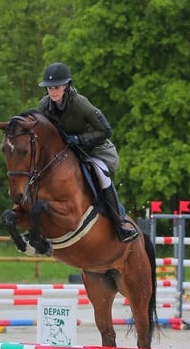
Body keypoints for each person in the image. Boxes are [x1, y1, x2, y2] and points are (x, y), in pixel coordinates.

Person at [37, 62, 139, 243]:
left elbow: (106, 130)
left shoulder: (80, 103)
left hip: (95, 149)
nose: (53, 92)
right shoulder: (44, 106)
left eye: (57, 87)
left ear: (66, 86)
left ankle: (120, 223)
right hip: (67, 153)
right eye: (50, 88)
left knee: (101, 174)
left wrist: (80, 139)